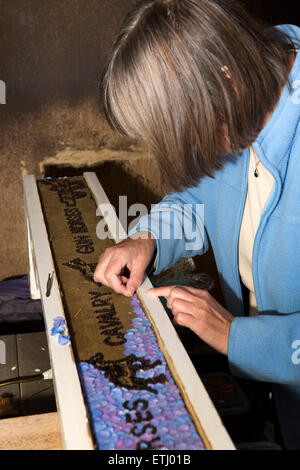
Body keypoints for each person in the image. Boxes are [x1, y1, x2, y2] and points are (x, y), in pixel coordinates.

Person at [94, 0, 300, 449]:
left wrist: (236, 337)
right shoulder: (239, 100)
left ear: (225, 82)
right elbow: (199, 196)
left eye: (189, 132)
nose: (191, 151)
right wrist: (148, 237)